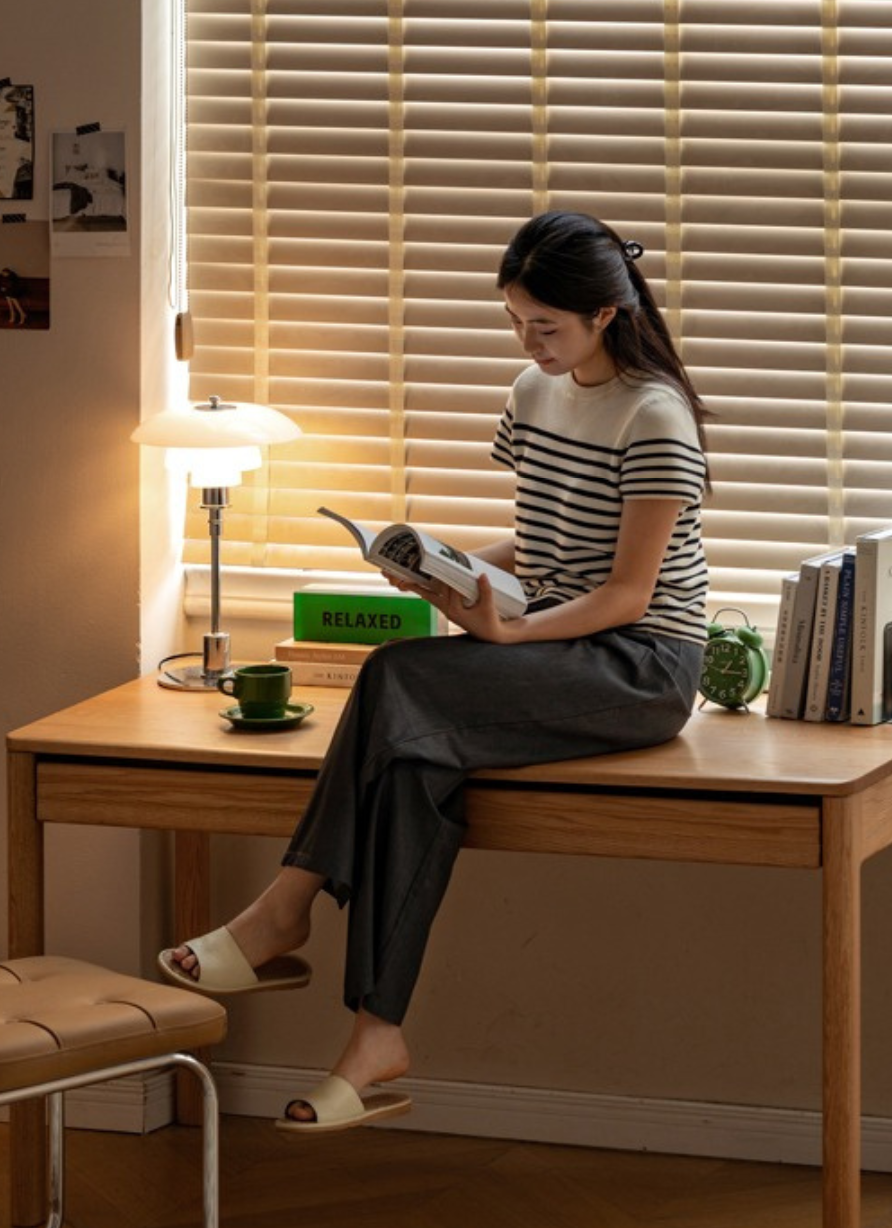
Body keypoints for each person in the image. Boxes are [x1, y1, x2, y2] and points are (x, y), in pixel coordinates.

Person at [158, 210, 712, 1133]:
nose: (527, 342)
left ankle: (281, 913)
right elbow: (539, 546)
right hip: (556, 637)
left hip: (642, 664)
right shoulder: (534, 394)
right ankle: (377, 1034)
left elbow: (625, 595)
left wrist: (507, 637)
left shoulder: (656, 417)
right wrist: (439, 564)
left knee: (394, 676)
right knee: (415, 764)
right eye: (515, 320)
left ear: (606, 315)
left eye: (546, 326)